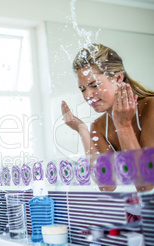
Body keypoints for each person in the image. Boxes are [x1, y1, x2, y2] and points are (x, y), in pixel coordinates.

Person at [61, 43, 154, 191]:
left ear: (117, 79)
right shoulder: (98, 126)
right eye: (82, 89)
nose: (87, 95)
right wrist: (83, 131)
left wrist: (123, 126)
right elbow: (106, 185)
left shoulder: (151, 107)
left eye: (94, 85)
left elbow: (146, 184)